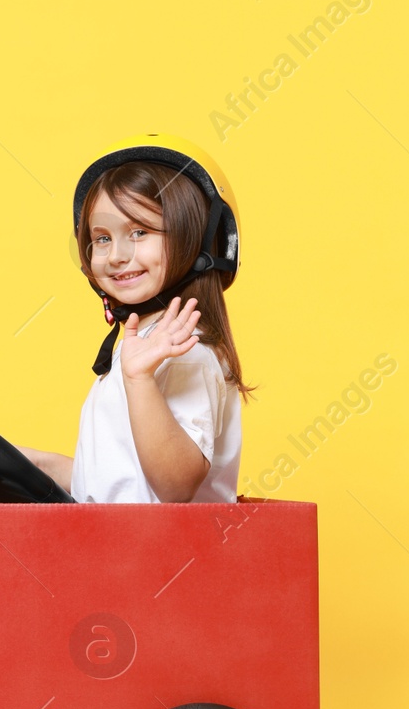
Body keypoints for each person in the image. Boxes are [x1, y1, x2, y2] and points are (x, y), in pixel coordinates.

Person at [18, 136, 254, 503]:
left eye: (139, 232)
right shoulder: (142, 345)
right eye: (102, 238)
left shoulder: (186, 350)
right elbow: (120, 482)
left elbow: (175, 486)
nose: (115, 255)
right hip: (122, 549)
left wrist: (140, 378)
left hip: (167, 558)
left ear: (195, 242)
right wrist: (35, 462)